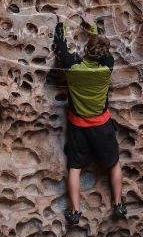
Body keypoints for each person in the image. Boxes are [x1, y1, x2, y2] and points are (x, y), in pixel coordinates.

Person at [53, 15, 126, 225]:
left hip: (78, 126)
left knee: (75, 167)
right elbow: (103, 53)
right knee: (113, 164)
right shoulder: (107, 68)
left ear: (86, 50)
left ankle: (75, 211)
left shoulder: (72, 67)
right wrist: (92, 28)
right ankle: (118, 204)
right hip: (102, 126)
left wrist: (61, 23)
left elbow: (60, 48)